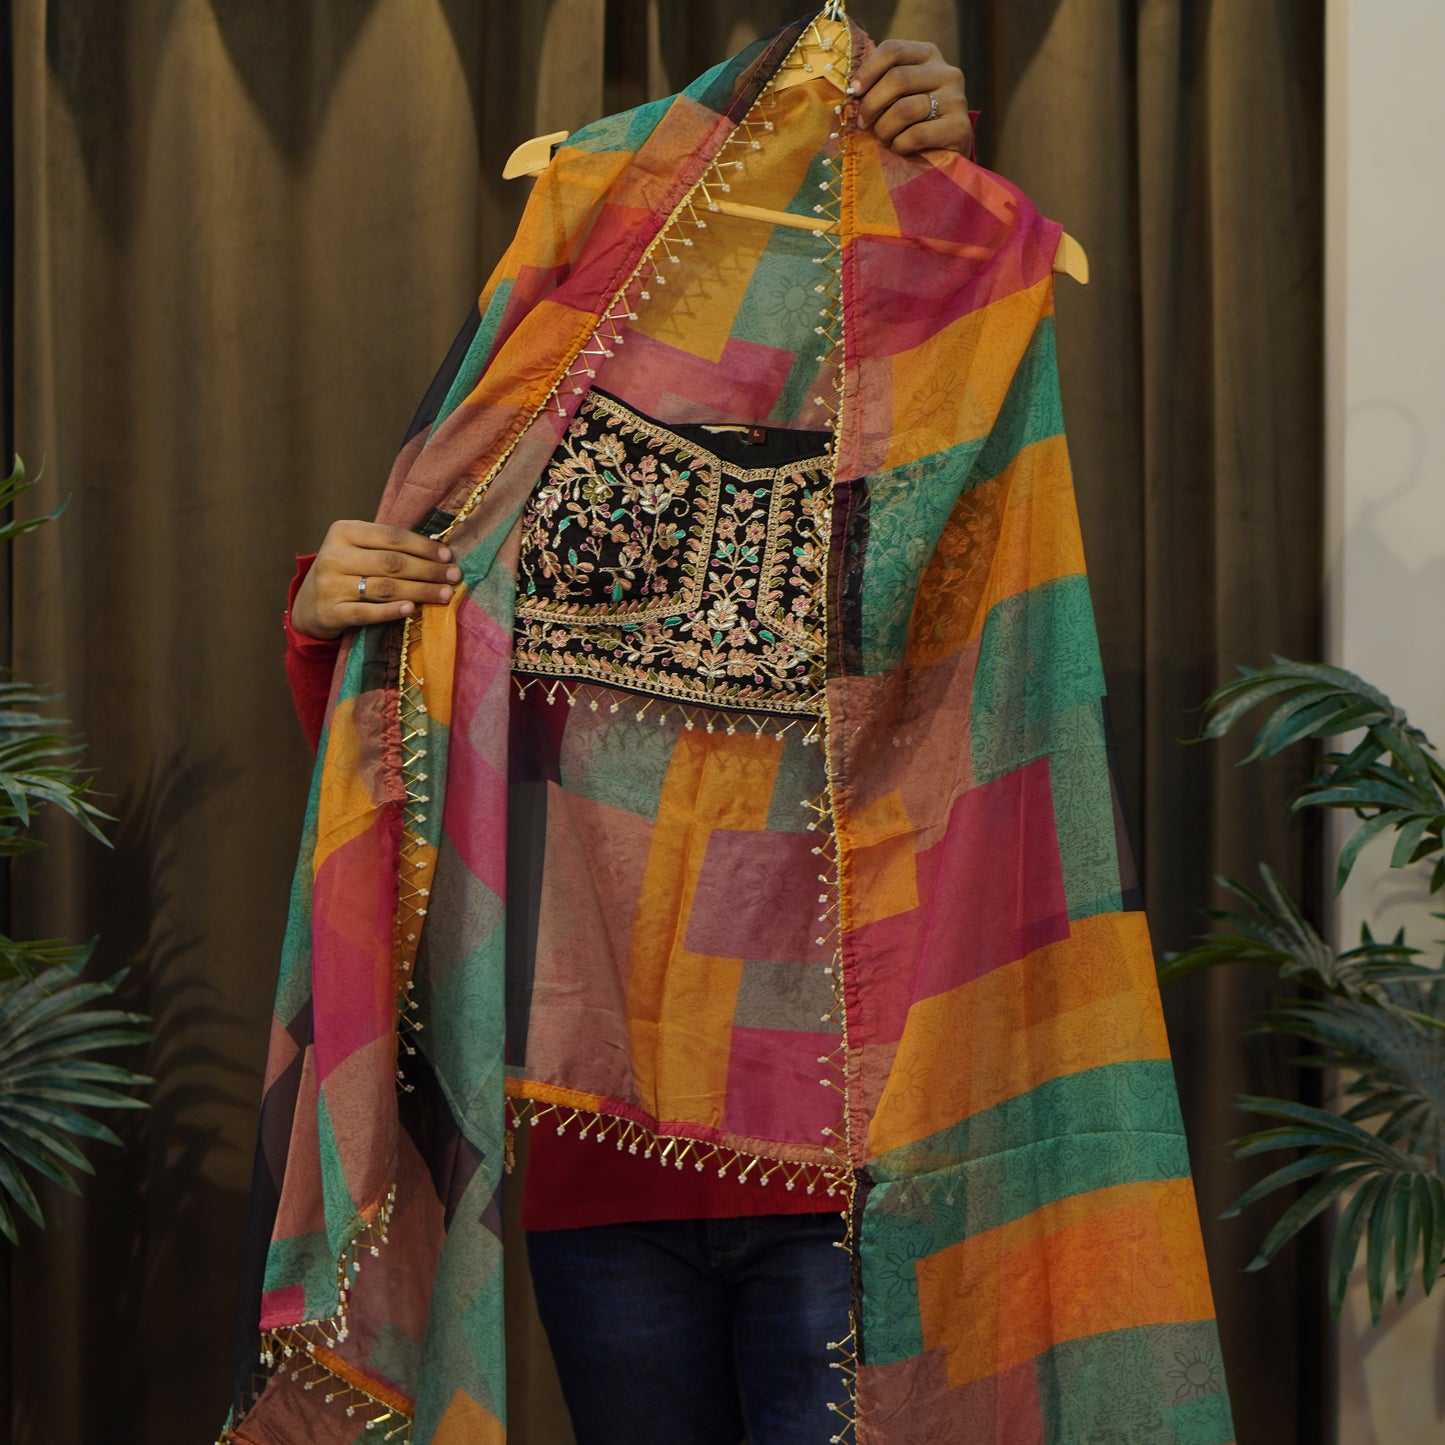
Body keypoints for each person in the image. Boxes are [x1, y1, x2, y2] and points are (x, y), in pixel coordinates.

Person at [278, 39, 974, 1445]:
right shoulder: (530, 468)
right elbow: (425, 765)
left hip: (854, 1164)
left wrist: (941, 198)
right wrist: (332, 627)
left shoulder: (898, 442)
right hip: (604, 1169)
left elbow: (980, 705)